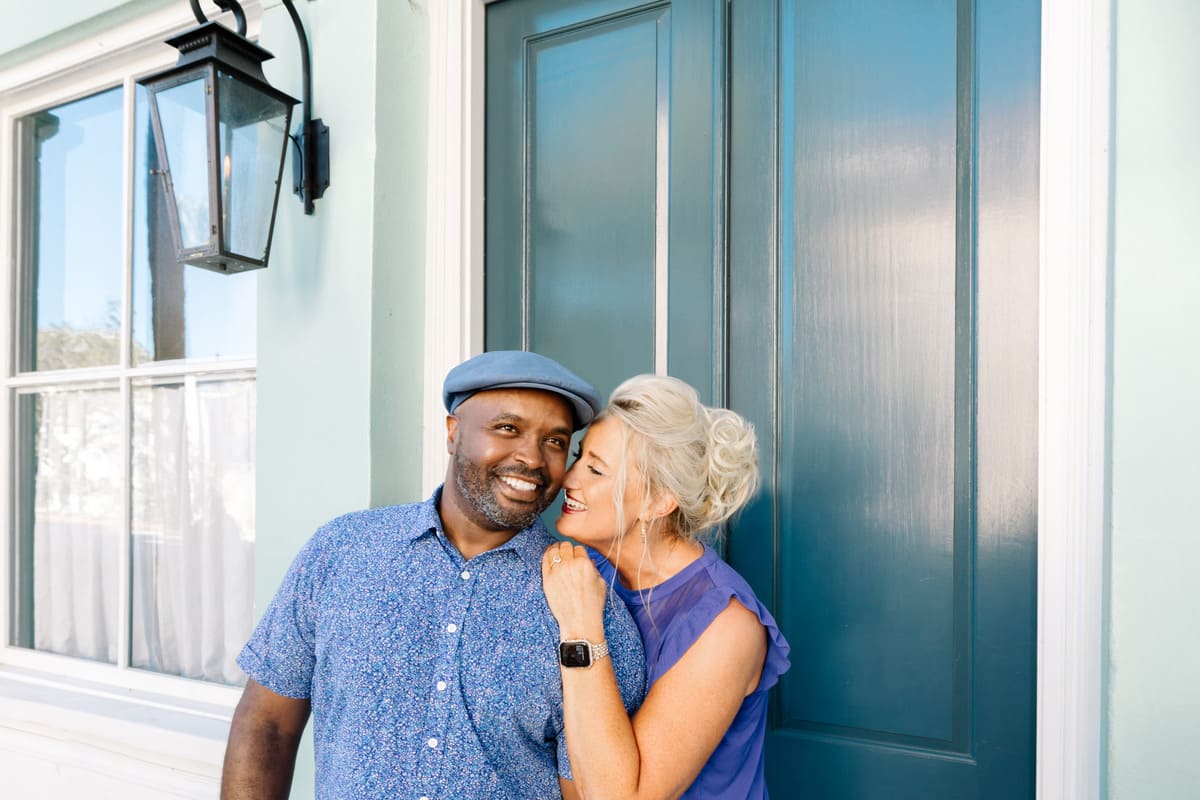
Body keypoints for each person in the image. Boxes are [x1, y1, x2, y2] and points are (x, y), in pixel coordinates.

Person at [221, 351, 645, 800]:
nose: (532, 458)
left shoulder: (592, 614)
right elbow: (265, 724)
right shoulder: (341, 551)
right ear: (453, 432)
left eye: (556, 441)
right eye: (508, 428)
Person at [541, 374, 791, 799]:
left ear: (660, 500)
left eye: (596, 469)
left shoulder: (727, 627)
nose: (568, 478)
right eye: (580, 457)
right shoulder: (586, 572)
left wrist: (581, 628)